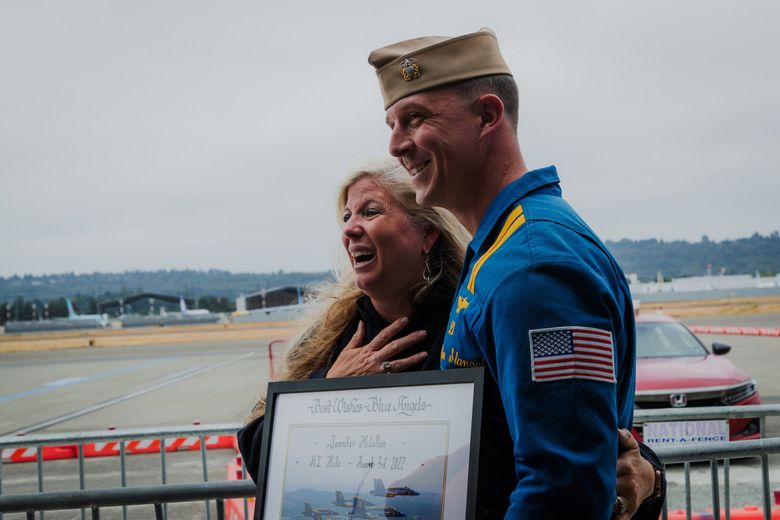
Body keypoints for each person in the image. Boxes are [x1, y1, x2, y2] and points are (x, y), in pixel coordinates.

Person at [237, 160, 664, 519]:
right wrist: (330, 389)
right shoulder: (330, 335)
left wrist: (648, 476)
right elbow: (257, 447)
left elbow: (571, 447)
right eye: (346, 216)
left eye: (370, 212)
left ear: (427, 233)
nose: (350, 229)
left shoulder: (474, 319)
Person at [368, 28, 662, 518]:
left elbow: (562, 490)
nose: (396, 145)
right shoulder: (499, 248)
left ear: (487, 116)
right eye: (392, 123)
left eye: (414, 119)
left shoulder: (533, 266)